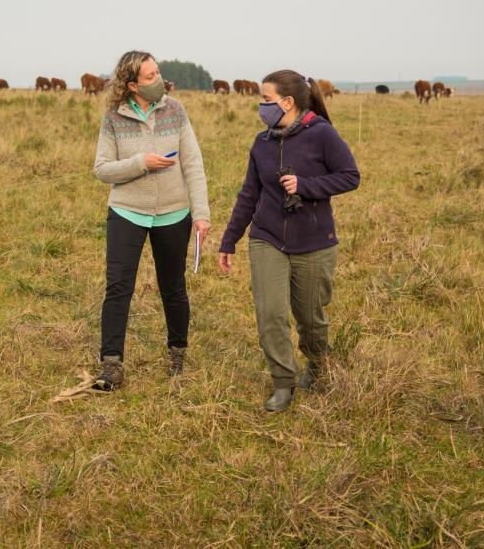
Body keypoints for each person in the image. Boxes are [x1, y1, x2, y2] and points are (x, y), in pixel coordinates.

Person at [218, 70, 359, 411]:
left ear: (288, 102)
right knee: (271, 314)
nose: (261, 106)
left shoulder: (322, 135)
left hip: (315, 242)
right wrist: (229, 240)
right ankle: (283, 382)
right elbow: (249, 195)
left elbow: (350, 176)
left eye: (266, 100)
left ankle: (319, 364)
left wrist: (306, 186)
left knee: (310, 318)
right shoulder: (262, 143)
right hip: (267, 238)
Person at [92, 50, 211, 390]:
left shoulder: (175, 110)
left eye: (157, 72)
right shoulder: (114, 118)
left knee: (172, 287)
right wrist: (140, 162)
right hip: (127, 212)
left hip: (174, 214)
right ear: (131, 85)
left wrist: (201, 214)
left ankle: (177, 354)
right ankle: (111, 365)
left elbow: (193, 164)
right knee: (118, 288)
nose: (158, 79)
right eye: (149, 76)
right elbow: (101, 169)